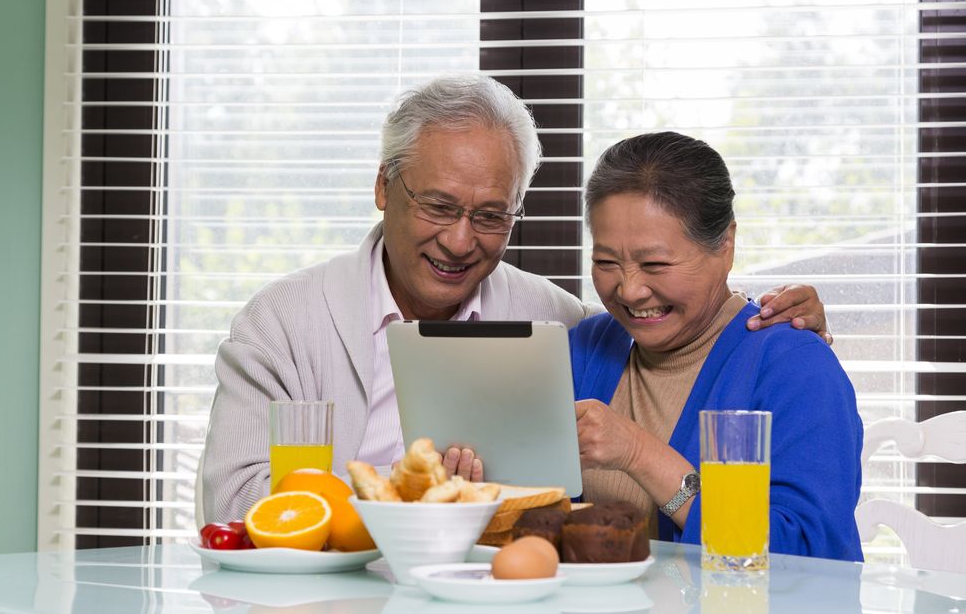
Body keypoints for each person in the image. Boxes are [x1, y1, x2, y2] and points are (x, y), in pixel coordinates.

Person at [202, 74, 829, 524]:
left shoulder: (555, 326)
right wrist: (410, 507)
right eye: (439, 206)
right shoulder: (284, 323)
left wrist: (774, 322)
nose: (458, 240)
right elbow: (237, 506)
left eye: (492, 215)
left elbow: (673, 323)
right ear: (383, 187)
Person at [571, 131, 863, 561]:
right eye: (606, 262)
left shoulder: (794, 367)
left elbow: (809, 557)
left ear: (724, 245)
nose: (630, 291)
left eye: (655, 264)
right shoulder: (584, 346)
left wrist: (639, 452)